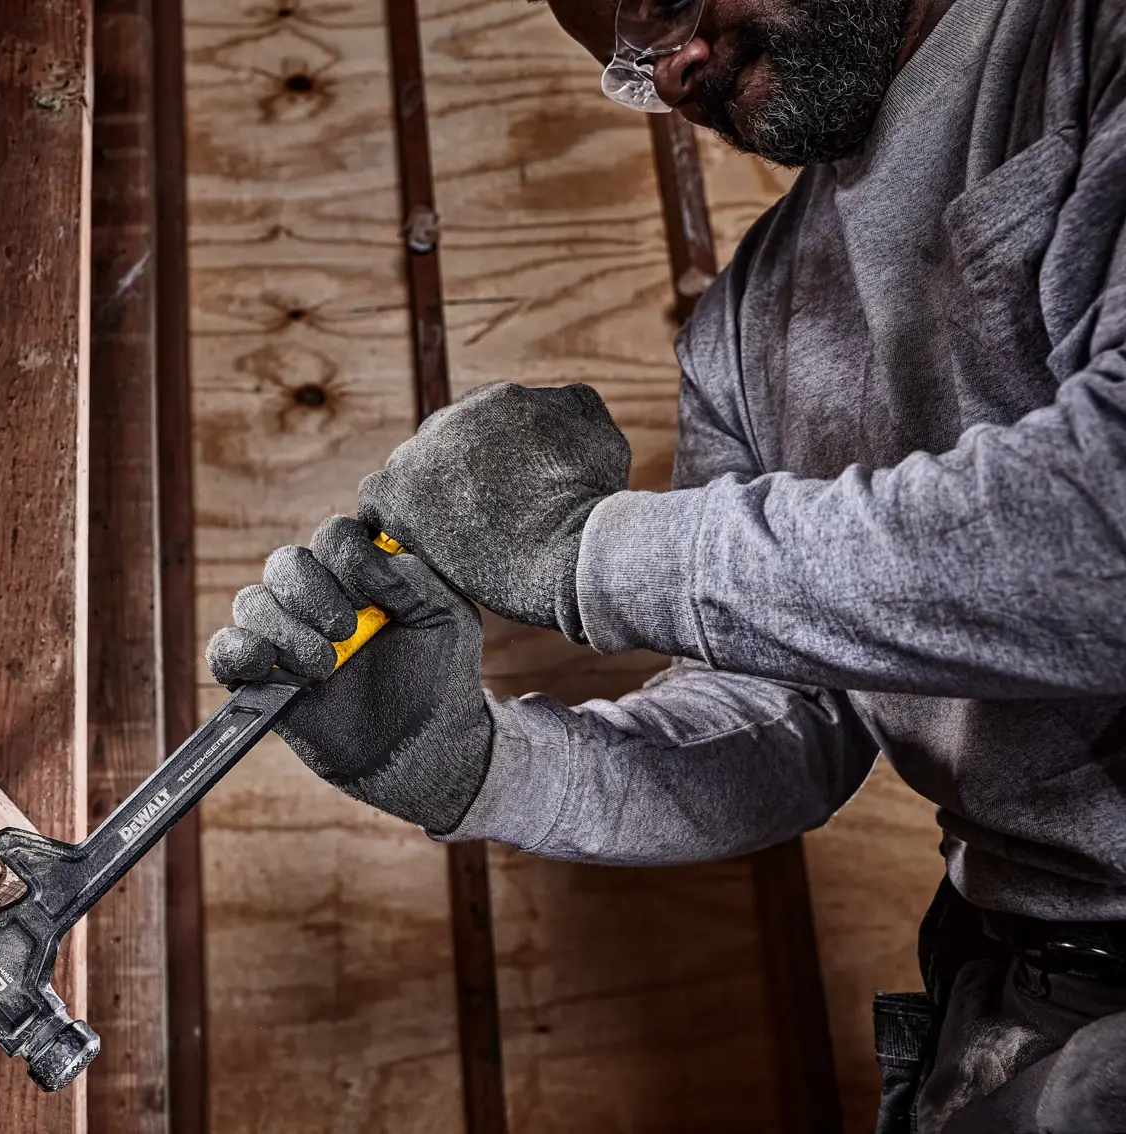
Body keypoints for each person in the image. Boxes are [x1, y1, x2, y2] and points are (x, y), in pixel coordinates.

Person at [204, 0, 1126, 1128]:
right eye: (631, 60)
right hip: (1022, 989)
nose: (675, 63)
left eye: (664, 4)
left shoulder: (1083, 46)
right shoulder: (747, 326)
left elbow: (1104, 528)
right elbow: (780, 716)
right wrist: (485, 766)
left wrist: (588, 554)